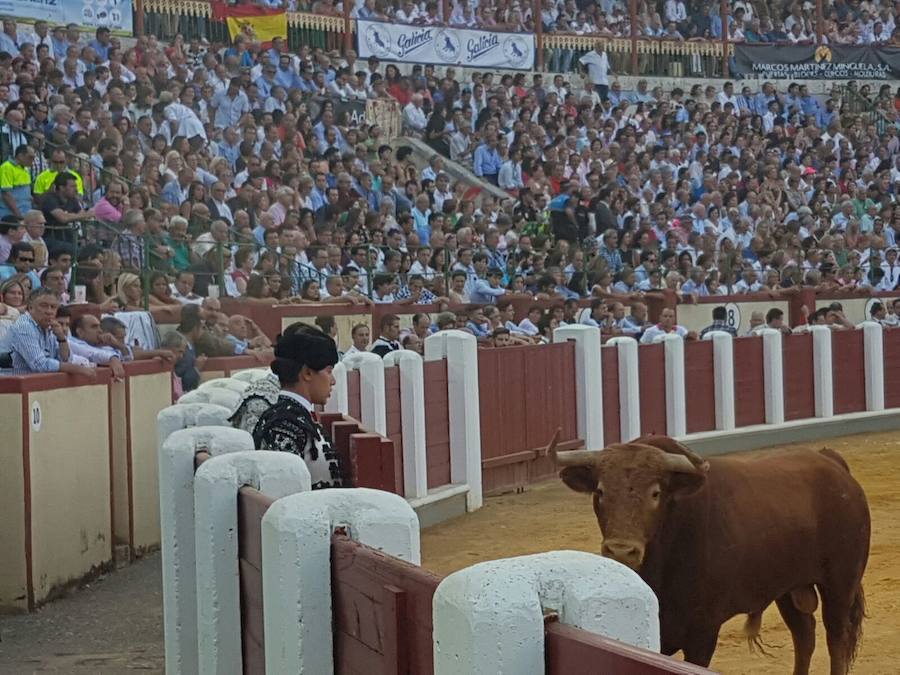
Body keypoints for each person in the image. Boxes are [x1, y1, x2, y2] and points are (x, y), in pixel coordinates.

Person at [251, 327, 345, 489]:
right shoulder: (283, 424)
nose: (333, 381)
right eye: (328, 371)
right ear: (307, 373)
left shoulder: (290, 416)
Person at [0, 287, 96, 376]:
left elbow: (66, 360)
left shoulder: (51, 327)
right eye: (44, 306)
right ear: (30, 308)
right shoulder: (24, 326)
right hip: (10, 388)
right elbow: (39, 365)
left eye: (53, 307)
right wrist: (77, 369)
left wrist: (61, 338)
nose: (49, 311)